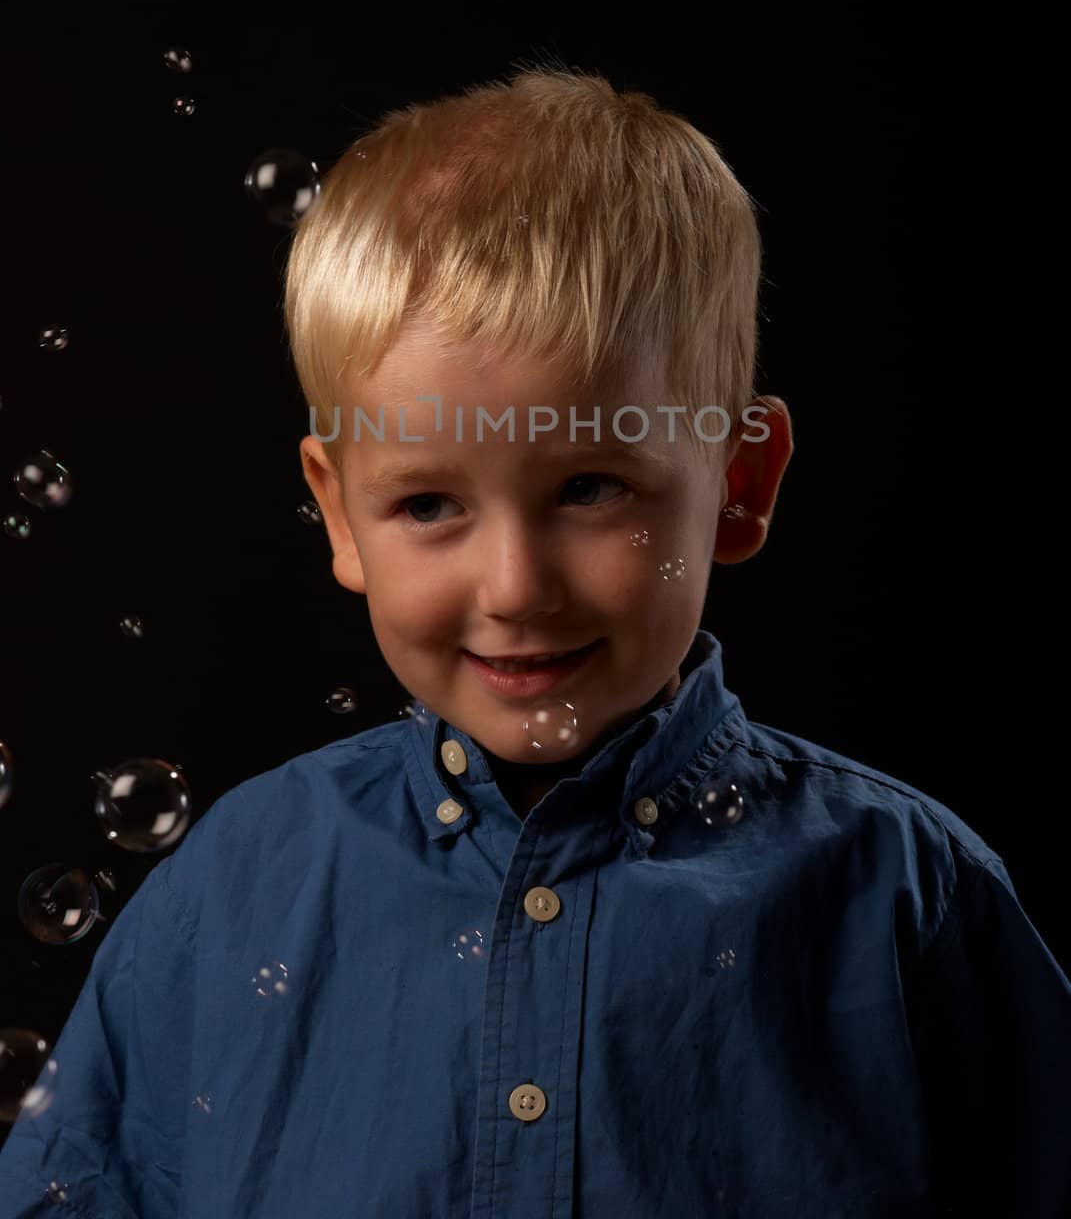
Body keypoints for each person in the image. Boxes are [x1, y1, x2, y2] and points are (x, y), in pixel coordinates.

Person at [1, 63, 1068, 1217]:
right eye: (427, 505)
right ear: (339, 510)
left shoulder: (910, 899)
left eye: (592, 487)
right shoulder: (225, 892)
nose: (513, 587)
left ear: (739, 483)